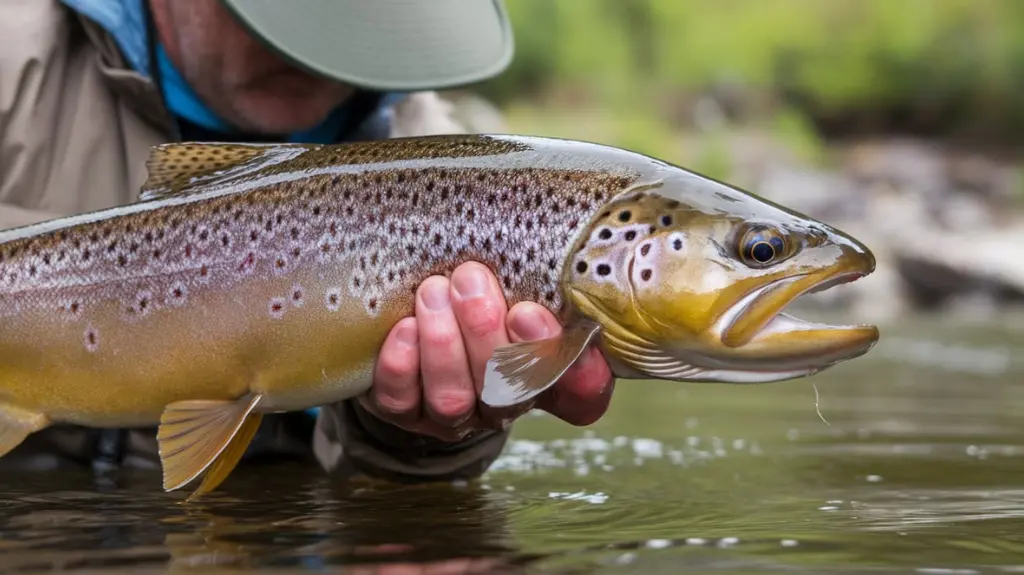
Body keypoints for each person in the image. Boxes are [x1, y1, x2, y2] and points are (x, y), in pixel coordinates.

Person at [0, 0, 615, 484]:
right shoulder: (14, 61)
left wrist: (421, 439)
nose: (311, 60)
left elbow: (382, 509)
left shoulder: (453, 169)